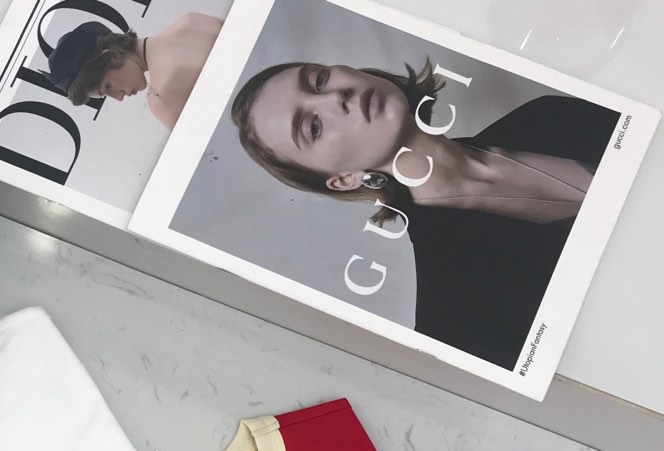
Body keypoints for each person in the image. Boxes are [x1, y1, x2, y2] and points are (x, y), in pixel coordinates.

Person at [230, 61, 620, 368]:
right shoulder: (453, 319)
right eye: (313, 126)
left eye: (319, 80)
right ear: (344, 179)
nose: (336, 98)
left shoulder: (550, 112)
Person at [47, 15, 223, 130]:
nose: (119, 98)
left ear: (112, 56)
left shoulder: (161, 97)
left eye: (107, 88)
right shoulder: (190, 21)